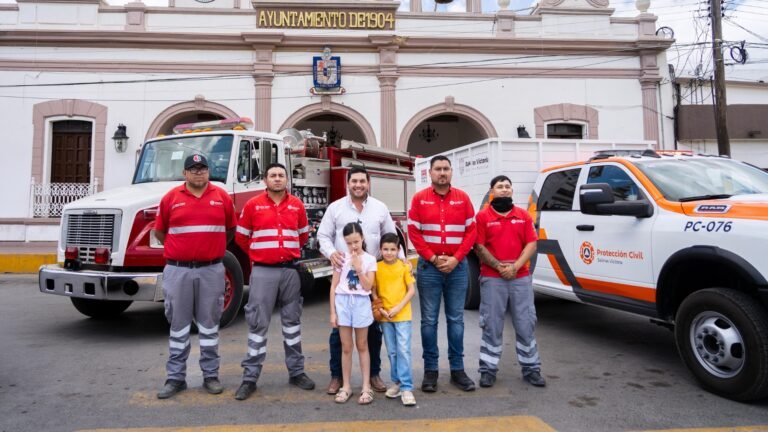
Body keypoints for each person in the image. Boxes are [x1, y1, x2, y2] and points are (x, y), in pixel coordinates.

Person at [154, 153, 237, 399]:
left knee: (210, 326)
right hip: (178, 270)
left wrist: (209, 250)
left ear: (209, 171)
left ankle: (210, 376)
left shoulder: (221, 197)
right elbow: (160, 232)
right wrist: (183, 250)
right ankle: (175, 378)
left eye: (203, 168)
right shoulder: (171, 198)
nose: (198, 172)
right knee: (178, 327)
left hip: (211, 270)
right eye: (193, 169)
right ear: (185, 173)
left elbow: (230, 230)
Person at [233, 163, 316, 401]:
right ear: (265, 180)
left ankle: (297, 372)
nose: (277, 179)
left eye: (281, 175)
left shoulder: (296, 205)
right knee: (258, 323)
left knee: (292, 323)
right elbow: (241, 237)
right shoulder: (252, 205)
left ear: (286, 180)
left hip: (290, 271)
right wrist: (261, 254)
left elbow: (302, 235)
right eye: (273, 175)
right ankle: (250, 377)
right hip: (263, 272)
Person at [317, 166, 396, 395]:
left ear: (368, 183)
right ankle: (337, 377)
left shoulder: (380, 208)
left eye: (362, 181)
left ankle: (373, 375)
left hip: (371, 273)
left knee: (372, 330)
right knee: (338, 336)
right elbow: (323, 235)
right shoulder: (336, 208)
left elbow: (390, 236)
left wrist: (401, 264)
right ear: (348, 183)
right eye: (354, 181)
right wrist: (331, 252)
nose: (358, 185)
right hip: (343, 276)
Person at [408, 155, 477, 393]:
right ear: (430, 172)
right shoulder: (419, 199)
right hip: (430, 269)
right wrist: (435, 258)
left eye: (446, 169)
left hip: (457, 268)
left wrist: (456, 259)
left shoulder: (463, 198)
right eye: (438, 169)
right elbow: (414, 234)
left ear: (451, 172)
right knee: (429, 321)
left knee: (456, 319)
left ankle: (458, 369)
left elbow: (471, 232)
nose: (442, 173)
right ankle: (431, 371)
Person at [473, 175, 545, 388]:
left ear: (512, 191)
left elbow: (531, 245)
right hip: (492, 278)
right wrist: (499, 267)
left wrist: (514, 267)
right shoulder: (483, 217)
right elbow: (479, 246)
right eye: (500, 186)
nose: (504, 190)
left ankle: (531, 369)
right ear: (492, 191)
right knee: (492, 325)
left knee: (525, 324)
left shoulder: (523, 216)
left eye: (507, 186)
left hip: (520, 278)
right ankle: (488, 370)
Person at [329, 222, 378, 405]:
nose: (353, 246)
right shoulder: (341, 259)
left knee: (363, 344)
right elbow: (334, 287)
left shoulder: (370, 260)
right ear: (344, 242)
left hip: (361, 303)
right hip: (343, 302)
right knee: (346, 347)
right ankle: (346, 386)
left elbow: (368, 286)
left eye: (356, 241)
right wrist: (333, 312)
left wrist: (358, 267)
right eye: (349, 243)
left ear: (362, 238)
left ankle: (366, 386)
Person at [373, 233, 417, 406]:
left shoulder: (404, 267)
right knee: (392, 351)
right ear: (380, 250)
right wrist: (382, 310)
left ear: (398, 250)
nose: (389, 253)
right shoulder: (377, 268)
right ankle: (397, 382)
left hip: (402, 315)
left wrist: (398, 308)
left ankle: (407, 387)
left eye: (392, 249)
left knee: (403, 350)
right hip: (385, 317)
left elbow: (411, 290)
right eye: (385, 249)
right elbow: (374, 291)